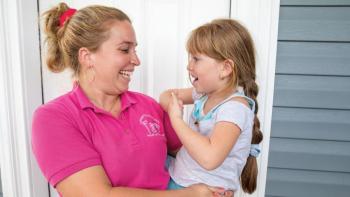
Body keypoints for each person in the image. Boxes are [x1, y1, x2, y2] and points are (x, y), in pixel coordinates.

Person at [31, 3, 233, 197]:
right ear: (87, 57)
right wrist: (189, 195)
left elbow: (192, 157)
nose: (136, 60)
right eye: (125, 49)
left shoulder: (148, 106)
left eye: (135, 50)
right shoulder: (54, 118)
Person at [159, 19, 263, 194]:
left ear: (225, 68)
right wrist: (173, 103)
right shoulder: (204, 94)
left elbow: (210, 158)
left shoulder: (234, 109)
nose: (189, 65)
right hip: (181, 179)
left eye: (196, 59)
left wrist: (177, 120)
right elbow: (165, 97)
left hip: (202, 190)